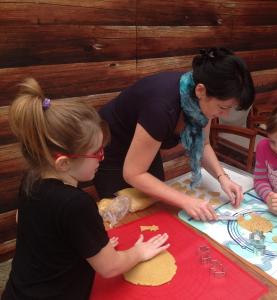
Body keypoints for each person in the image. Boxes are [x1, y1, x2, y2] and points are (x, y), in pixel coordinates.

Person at [2, 78, 169, 300]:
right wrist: (137, 252)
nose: (103, 158)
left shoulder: (31, 179)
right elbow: (109, 268)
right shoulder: (75, 203)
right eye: (97, 153)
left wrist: (87, 242)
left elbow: (31, 224)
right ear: (63, 163)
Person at [94, 47, 255, 221]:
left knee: (157, 204)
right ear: (201, 91)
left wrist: (222, 177)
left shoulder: (202, 102)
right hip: (112, 144)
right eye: (223, 107)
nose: (225, 115)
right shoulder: (161, 107)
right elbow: (133, 173)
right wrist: (186, 201)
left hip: (143, 144)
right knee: (122, 214)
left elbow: (203, 145)